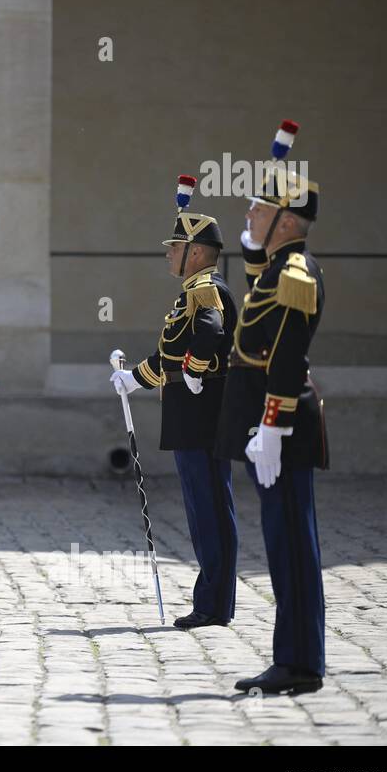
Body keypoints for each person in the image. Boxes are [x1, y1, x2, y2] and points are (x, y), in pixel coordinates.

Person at [217, 120, 329, 696]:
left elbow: (285, 357)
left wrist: (271, 427)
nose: (249, 217)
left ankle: (300, 662)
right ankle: (294, 656)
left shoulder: (296, 275)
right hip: (271, 430)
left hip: (280, 429)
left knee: (290, 542)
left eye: (260, 210)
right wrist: (254, 230)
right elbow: (253, 262)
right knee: (282, 538)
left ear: (288, 221)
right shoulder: (273, 270)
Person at [110, 174, 238, 630]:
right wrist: (134, 380)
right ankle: (213, 601)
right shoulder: (191, 290)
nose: (168, 253)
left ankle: (212, 605)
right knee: (203, 510)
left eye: (175, 246)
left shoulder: (205, 289)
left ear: (197, 252)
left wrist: (197, 370)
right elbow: (171, 354)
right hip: (190, 416)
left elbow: (210, 334)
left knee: (209, 511)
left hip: (201, 417)